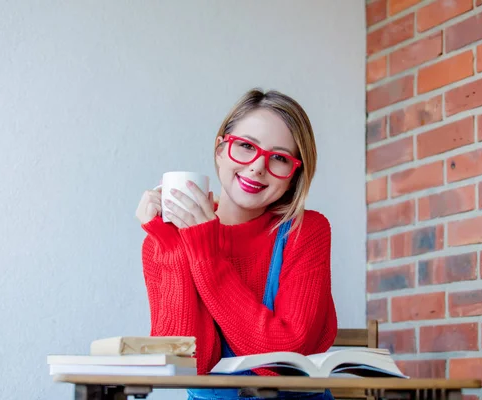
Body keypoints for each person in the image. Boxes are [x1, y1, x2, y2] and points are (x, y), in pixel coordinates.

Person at [135, 89, 338, 399]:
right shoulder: (164, 243)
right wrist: (173, 245)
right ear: (220, 150)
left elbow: (286, 360)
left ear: (294, 175)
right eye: (245, 146)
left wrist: (205, 252)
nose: (257, 166)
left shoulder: (305, 230)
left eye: (280, 158)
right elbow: (188, 366)